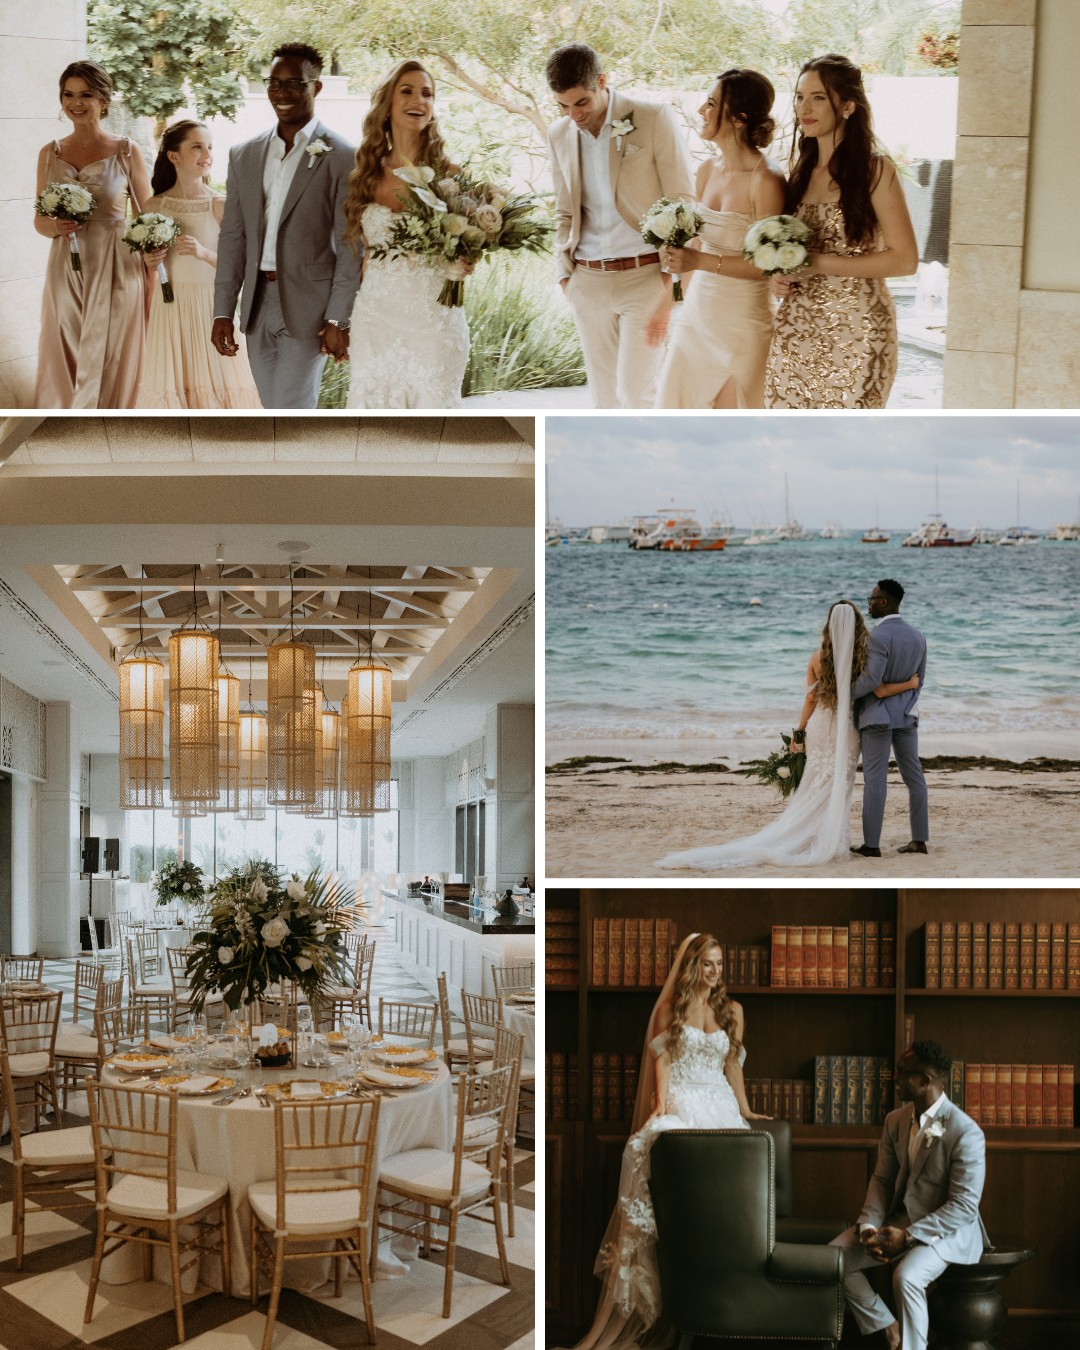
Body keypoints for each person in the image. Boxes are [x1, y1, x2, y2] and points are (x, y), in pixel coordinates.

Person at [574, 933, 766, 1350]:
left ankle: (721, 1306)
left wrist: (746, 1110)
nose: (715, 972)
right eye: (708, 964)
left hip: (721, 1102)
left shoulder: (732, 1010)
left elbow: (732, 1064)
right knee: (657, 1145)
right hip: (683, 1095)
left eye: (720, 964)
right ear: (692, 965)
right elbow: (661, 1062)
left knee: (731, 1184)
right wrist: (660, 1104)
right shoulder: (670, 1009)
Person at [658, 600, 919, 869]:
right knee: (841, 784)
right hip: (848, 729)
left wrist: (799, 731)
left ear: (829, 625)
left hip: (820, 725)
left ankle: (808, 833)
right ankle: (834, 839)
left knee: (814, 783)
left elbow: (810, 700)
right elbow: (874, 688)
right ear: (857, 625)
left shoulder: (817, 657)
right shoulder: (862, 657)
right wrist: (910, 684)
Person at [764, 54, 918, 409]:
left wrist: (819, 263)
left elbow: (905, 260)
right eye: (800, 97)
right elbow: (791, 255)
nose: (805, 107)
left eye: (818, 97)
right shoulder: (799, 174)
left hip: (858, 330)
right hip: (795, 328)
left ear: (848, 105)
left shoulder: (875, 171)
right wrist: (780, 278)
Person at [545, 43, 694, 409]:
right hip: (587, 282)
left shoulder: (653, 117)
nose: (574, 115)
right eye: (563, 106)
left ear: (602, 81)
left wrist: (668, 287)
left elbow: (683, 202)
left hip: (645, 279)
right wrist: (566, 277)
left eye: (581, 103)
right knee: (604, 400)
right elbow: (564, 211)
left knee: (637, 394)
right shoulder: (559, 134)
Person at [211, 43, 359, 409]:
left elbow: (350, 245)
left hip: (309, 308)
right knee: (271, 408)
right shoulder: (243, 155)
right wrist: (222, 311)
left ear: (317, 87)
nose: (282, 93)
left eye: (294, 83)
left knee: (290, 408)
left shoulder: (342, 156)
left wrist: (339, 318)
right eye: (274, 83)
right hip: (257, 305)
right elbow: (233, 238)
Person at [830, 1041, 988, 1350]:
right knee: (833, 1259)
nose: (895, 1077)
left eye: (903, 1073)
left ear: (926, 1081)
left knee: (906, 1277)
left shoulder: (965, 1132)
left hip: (946, 1230)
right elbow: (882, 1179)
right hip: (897, 1221)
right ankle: (888, 1327)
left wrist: (909, 1237)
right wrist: (868, 1227)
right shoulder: (896, 1120)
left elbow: (964, 1206)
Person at [650, 69, 785, 409]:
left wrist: (699, 262)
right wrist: (665, 305)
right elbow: (694, 246)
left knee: (727, 429)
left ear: (739, 118)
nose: (701, 111)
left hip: (743, 326)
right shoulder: (707, 170)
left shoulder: (766, 180)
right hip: (697, 320)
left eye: (711, 104)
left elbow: (768, 267)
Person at [342, 60, 469, 408]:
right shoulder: (365, 175)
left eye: (427, 93)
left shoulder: (450, 175)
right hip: (375, 319)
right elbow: (368, 253)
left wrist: (465, 260)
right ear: (387, 105)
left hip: (433, 320)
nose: (419, 100)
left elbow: (470, 241)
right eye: (408, 91)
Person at [34, 61, 148, 408]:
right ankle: (63, 429)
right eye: (68, 95)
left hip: (117, 265)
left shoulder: (126, 151)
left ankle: (108, 430)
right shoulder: (49, 153)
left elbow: (148, 216)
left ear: (103, 99)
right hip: (65, 269)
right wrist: (55, 226)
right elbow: (39, 221)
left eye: (86, 94)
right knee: (65, 345)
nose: (76, 103)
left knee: (110, 349)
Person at [137, 121, 259, 409]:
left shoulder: (220, 205)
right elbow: (145, 260)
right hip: (169, 308)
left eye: (209, 147)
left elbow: (241, 267)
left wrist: (203, 253)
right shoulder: (153, 206)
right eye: (197, 146)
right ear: (173, 156)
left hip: (210, 307)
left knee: (220, 385)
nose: (207, 153)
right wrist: (149, 259)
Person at [851, 578, 929, 857]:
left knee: (875, 779)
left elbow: (871, 680)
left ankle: (871, 845)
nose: (869, 603)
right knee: (914, 777)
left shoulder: (878, 637)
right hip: (907, 716)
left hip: (877, 719)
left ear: (883, 602)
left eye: (871, 599)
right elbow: (918, 681)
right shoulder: (918, 636)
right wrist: (903, 700)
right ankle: (919, 841)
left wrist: (841, 693)